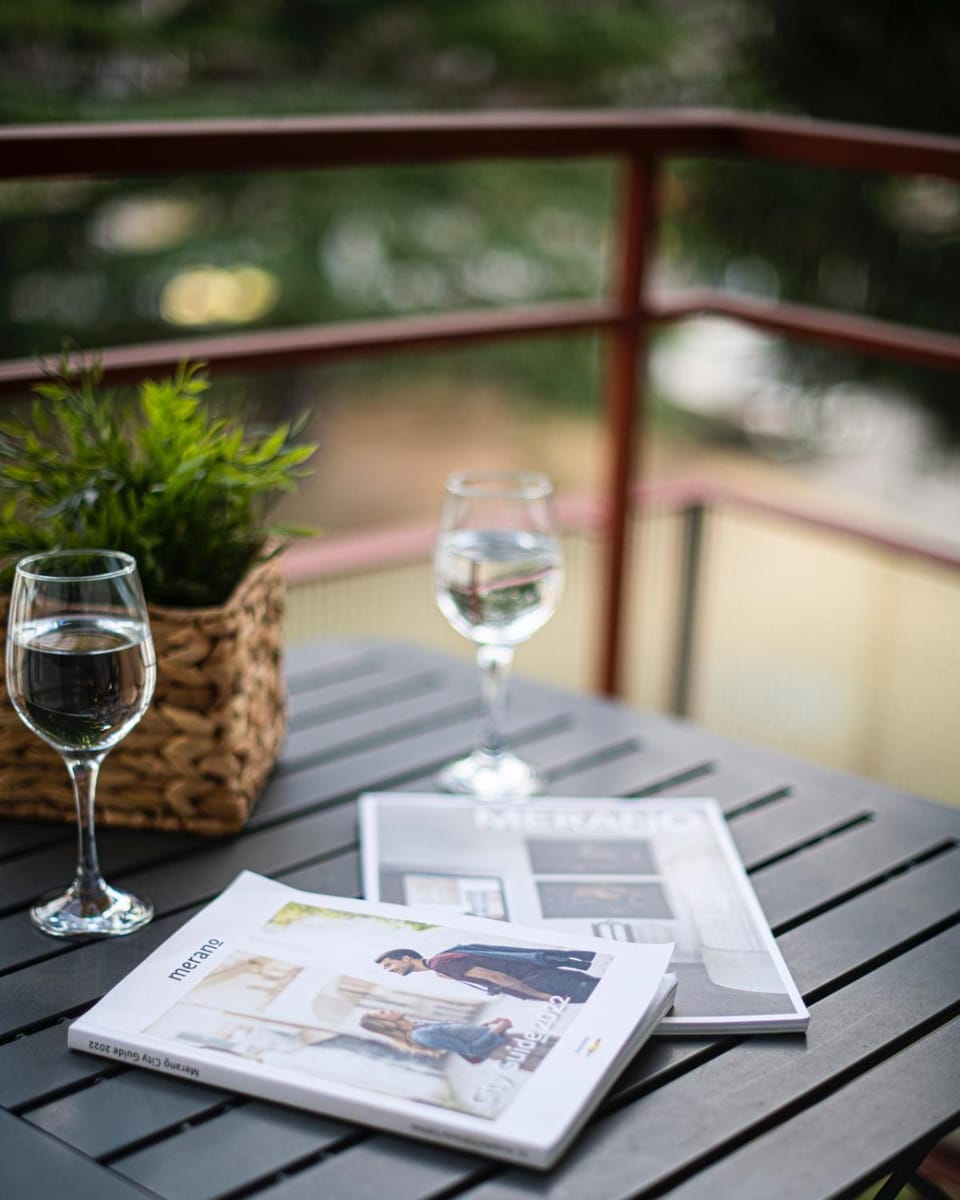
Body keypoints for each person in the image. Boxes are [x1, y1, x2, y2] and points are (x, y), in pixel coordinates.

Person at [375, 941, 599, 1002]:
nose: (390, 970)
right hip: (545, 975)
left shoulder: (441, 964)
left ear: (406, 958)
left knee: (602, 997)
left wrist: (540, 995)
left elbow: (496, 976)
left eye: (389, 965)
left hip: (545, 983)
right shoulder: (444, 958)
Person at [359, 1010, 514, 1063]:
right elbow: (471, 1050)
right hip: (506, 1050)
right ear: (385, 1023)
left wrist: (485, 1025)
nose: (388, 1010)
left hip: (507, 1040)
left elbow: (460, 1035)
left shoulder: (419, 1025)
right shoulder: (421, 1034)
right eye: (383, 1013)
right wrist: (497, 1029)